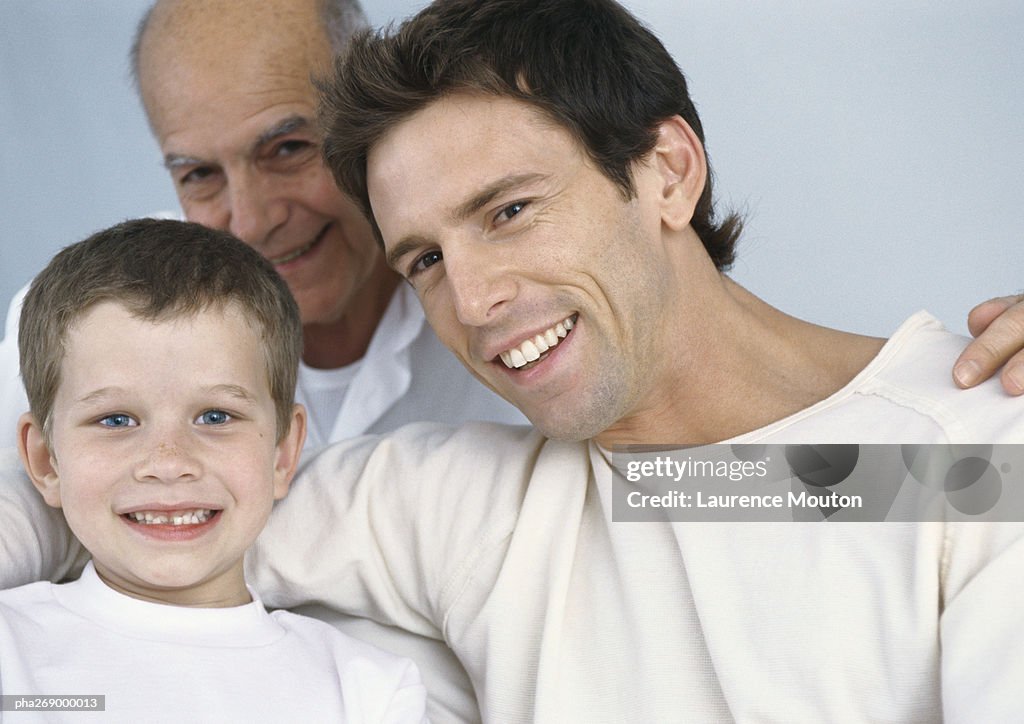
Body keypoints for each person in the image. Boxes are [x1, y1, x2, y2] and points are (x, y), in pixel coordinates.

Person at [0, 0, 1022, 721]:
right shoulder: (454, 500)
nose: (476, 299)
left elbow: (779, 491)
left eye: (510, 211)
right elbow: (116, 509)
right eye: (426, 258)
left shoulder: (966, 455)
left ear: (666, 171)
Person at [0, 218, 427, 722]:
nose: (168, 463)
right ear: (46, 461)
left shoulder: (367, 690)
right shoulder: (12, 654)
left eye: (215, 417)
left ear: (283, 453)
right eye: (115, 420)